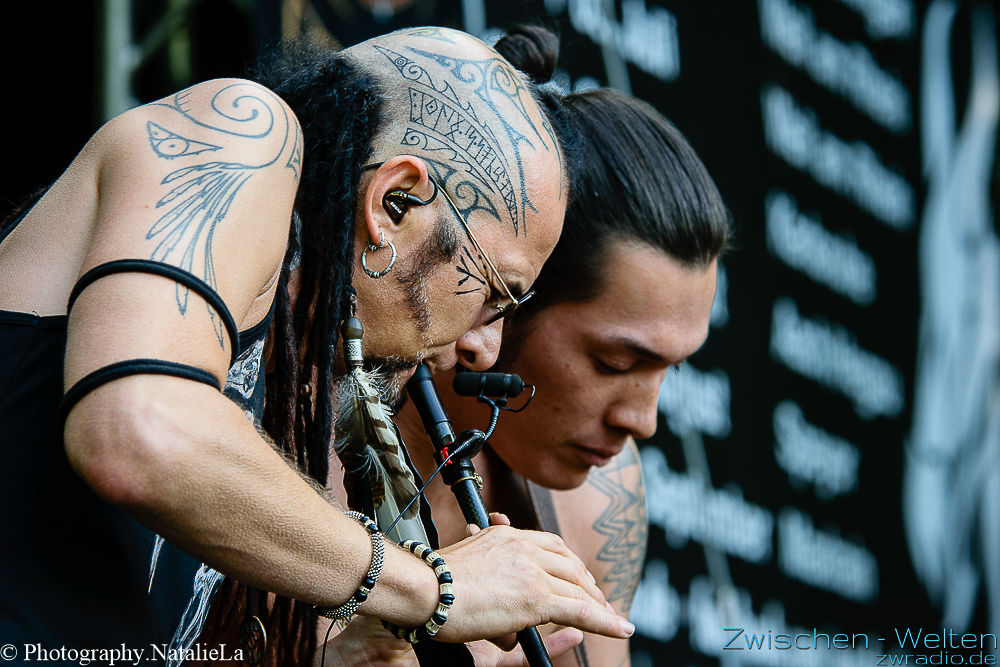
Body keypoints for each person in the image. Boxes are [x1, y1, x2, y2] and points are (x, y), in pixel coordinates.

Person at [0, 27, 634, 665]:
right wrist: (436, 589)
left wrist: (349, 659)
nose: (483, 348)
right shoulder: (240, 132)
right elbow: (136, 432)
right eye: (494, 293)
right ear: (393, 203)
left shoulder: (270, 364)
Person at [320, 26, 730, 667]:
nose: (643, 420)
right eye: (615, 362)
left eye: (668, 370)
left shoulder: (599, 496)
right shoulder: (294, 432)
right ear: (505, 295)